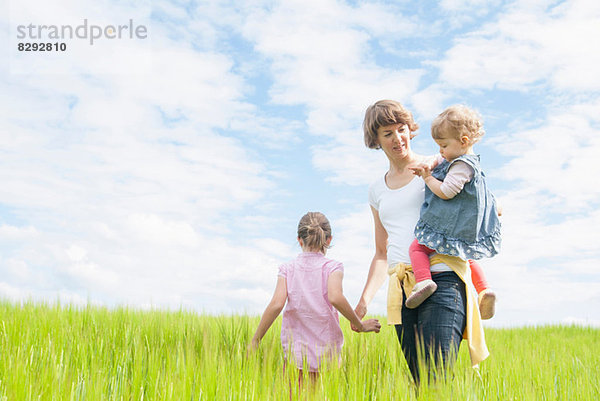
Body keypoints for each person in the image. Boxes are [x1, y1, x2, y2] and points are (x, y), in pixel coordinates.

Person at [354, 100, 488, 385]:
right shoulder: (376, 190)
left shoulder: (439, 163)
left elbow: (478, 197)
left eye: (401, 129)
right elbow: (381, 252)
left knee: (437, 379)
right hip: (403, 290)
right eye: (387, 133)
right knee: (419, 382)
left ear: (410, 130)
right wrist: (363, 301)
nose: (397, 138)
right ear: (375, 140)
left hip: (442, 280)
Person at [250, 211, 381, 384]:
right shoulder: (332, 267)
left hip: (295, 357)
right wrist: (360, 324)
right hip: (328, 357)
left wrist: (256, 340)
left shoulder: (287, 269)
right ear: (329, 240)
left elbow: (276, 304)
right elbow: (335, 297)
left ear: (299, 240)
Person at [405, 105, 501, 320]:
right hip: (465, 230)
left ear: (464, 141)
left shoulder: (460, 167)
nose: (440, 151)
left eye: (444, 145)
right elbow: (437, 160)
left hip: (450, 224)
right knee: (467, 256)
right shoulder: (462, 160)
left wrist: (428, 178)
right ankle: (484, 289)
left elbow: (447, 192)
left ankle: (424, 281)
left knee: (418, 247)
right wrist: (429, 164)